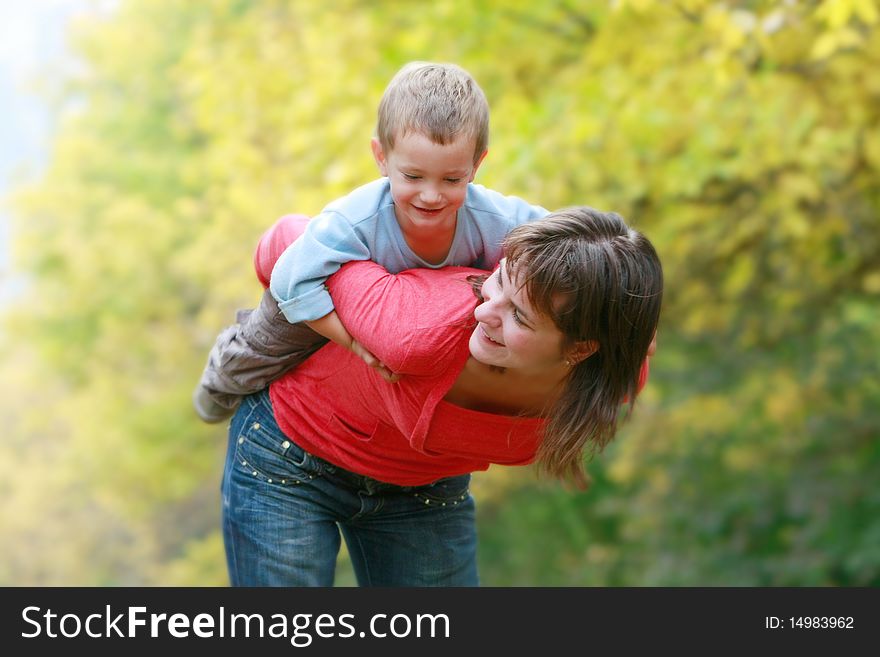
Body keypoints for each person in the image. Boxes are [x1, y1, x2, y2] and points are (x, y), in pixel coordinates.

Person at [221, 206, 663, 586]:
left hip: (422, 491)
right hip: (291, 455)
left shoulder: (613, 379)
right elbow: (290, 238)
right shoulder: (416, 326)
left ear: (583, 350)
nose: (484, 312)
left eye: (520, 318)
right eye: (498, 283)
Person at [193, 61, 548, 423]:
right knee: (273, 344)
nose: (430, 195)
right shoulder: (356, 218)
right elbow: (291, 278)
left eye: (452, 180)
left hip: (399, 318)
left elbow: (561, 234)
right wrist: (351, 343)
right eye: (413, 176)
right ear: (382, 157)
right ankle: (218, 383)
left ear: (476, 166)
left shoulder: (494, 218)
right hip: (328, 296)